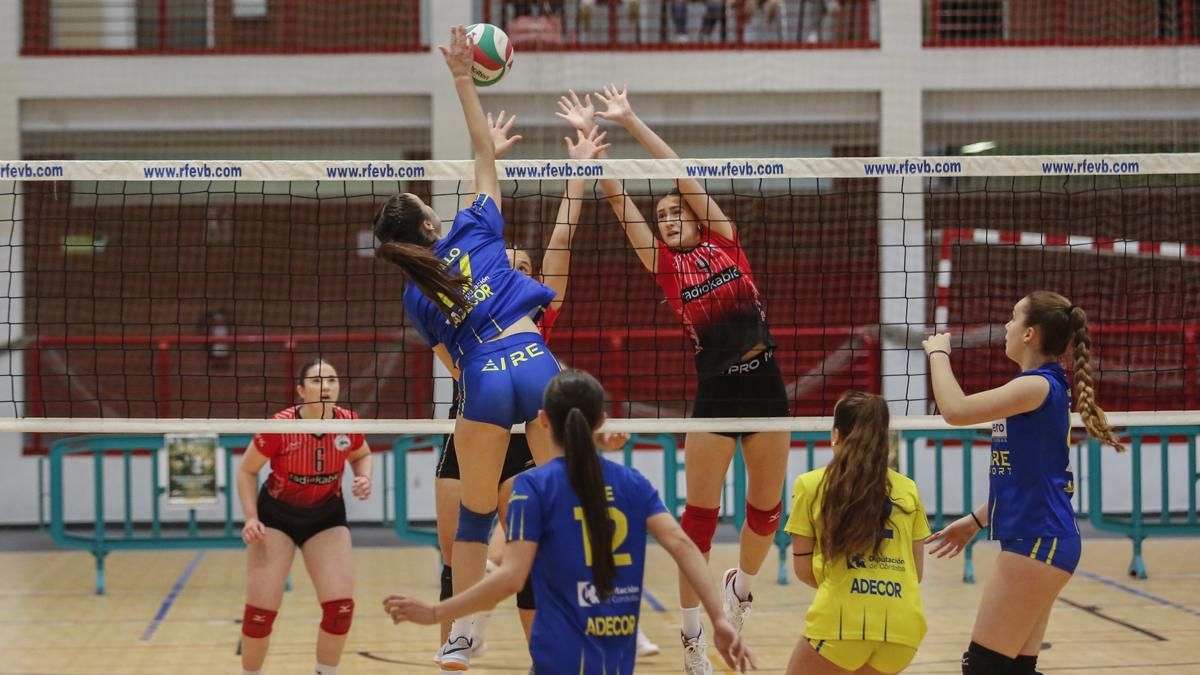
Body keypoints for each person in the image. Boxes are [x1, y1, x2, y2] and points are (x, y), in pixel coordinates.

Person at [556, 86, 790, 674]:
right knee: (700, 522)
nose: (665, 219)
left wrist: (630, 119)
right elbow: (621, 208)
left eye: (673, 212)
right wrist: (596, 161)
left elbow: (679, 173)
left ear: (694, 214)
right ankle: (692, 636)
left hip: (766, 388)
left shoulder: (727, 243)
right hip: (715, 396)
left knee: (766, 513)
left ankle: (739, 590)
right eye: (661, 217)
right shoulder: (665, 267)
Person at [374, 25, 564, 670]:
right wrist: (462, 79)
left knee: (475, 520)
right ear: (431, 223)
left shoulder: (413, 295)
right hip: (534, 362)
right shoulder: (476, 227)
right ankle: (565, 628)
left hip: (482, 375)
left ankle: (456, 634)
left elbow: (451, 363)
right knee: (556, 503)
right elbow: (484, 150)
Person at [430, 116, 653, 663]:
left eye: (521, 267)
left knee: (542, 534)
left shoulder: (541, 310)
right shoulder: (462, 315)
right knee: (454, 542)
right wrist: (488, 156)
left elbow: (561, 236)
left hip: (528, 425)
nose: (514, 268)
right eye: (506, 265)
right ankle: (463, 628)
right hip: (479, 421)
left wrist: (577, 174)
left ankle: (579, 628)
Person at [384, 369, 756, 674]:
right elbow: (683, 546)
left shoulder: (534, 487)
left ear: (542, 421)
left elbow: (510, 578)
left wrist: (438, 613)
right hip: (613, 648)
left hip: (559, 652)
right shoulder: (633, 484)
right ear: (602, 422)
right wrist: (717, 620)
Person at [922, 291, 1126, 675]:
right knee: (1014, 668)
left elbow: (955, 410)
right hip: (1041, 538)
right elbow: (1028, 473)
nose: (1006, 326)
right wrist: (978, 519)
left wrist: (937, 354)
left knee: (982, 667)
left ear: (1030, 333)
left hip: (1039, 540)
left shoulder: (1036, 386)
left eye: (1013, 318)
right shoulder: (1036, 387)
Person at [236, 358, 373, 675]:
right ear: (300, 390)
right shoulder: (279, 427)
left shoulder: (348, 423)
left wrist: (363, 476)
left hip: (326, 517)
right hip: (276, 518)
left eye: (332, 380)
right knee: (260, 614)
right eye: (317, 381)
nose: (326, 386)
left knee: (340, 610)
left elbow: (362, 453)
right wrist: (250, 518)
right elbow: (246, 471)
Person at [784, 391, 930, 674]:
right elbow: (916, 573)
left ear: (836, 434)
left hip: (842, 622)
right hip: (903, 628)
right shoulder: (908, 488)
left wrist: (847, 579)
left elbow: (803, 569)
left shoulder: (811, 485)